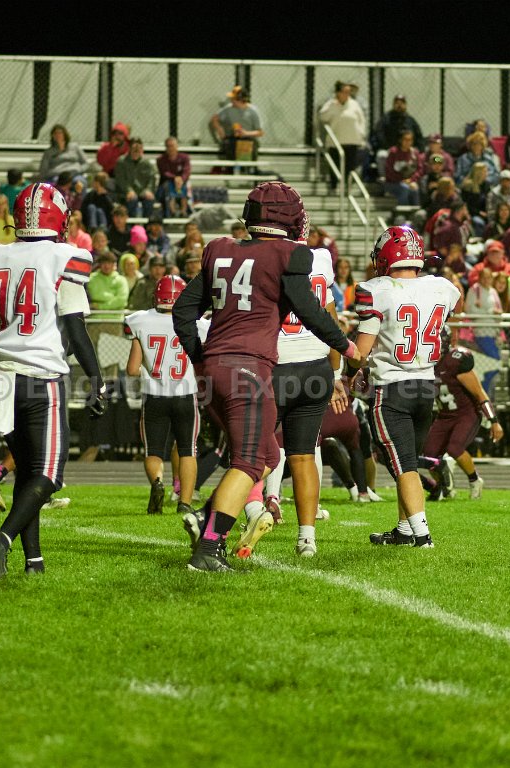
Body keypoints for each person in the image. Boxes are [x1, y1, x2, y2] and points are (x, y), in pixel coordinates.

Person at [172, 181, 363, 571]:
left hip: (215, 368)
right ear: (289, 218)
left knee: (269, 455)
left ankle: (208, 517)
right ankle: (209, 548)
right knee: (248, 461)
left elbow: (182, 311)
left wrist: (200, 358)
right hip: (249, 368)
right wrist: (345, 346)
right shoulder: (289, 253)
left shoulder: (220, 249)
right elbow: (309, 310)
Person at [0, 183, 107, 578]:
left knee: (28, 470)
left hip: (2, 377)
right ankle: (2, 538)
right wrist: (96, 379)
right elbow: (76, 329)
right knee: (49, 474)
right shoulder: (67, 256)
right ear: (59, 219)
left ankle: (33, 561)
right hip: (41, 378)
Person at [354, 226, 462, 548]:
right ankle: (404, 530)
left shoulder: (376, 290)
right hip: (425, 386)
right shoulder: (441, 287)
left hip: (393, 388)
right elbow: (452, 305)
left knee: (404, 466)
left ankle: (423, 537)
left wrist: (352, 372)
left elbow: (361, 349)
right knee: (408, 462)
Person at [257, 235, 348, 557]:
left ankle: (252, 510)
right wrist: (335, 373)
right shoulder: (321, 258)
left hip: (275, 365)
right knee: (304, 455)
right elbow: (330, 319)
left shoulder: (265, 257)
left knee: (253, 452)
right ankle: (307, 538)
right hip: (316, 365)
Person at [125, 275, 208, 515]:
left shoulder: (139, 320)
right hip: (185, 394)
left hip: (154, 396)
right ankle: (185, 502)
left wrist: (151, 370)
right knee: (188, 450)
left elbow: (132, 369)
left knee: (153, 451)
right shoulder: (198, 323)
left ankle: (158, 482)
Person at [423, 342, 504, 500]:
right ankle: (445, 487)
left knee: (455, 448)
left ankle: (475, 480)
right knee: (430, 454)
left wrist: (494, 421)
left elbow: (480, 393)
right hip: (444, 415)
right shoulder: (423, 364)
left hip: (466, 414)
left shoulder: (454, 361)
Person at [319, 80, 367, 190]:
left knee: (350, 167)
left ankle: (347, 188)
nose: (347, 94)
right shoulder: (331, 104)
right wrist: (332, 106)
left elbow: (361, 120)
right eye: (344, 92)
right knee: (335, 166)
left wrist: (361, 133)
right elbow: (322, 117)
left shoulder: (354, 104)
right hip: (336, 141)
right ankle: (334, 187)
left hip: (352, 140)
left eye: (348, 92)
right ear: (338, 93)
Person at [369, 94, 424, 178]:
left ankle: (412, 178)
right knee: (381, 155)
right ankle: (386, 179)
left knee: (424, 158)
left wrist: (419, 150)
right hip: (389, 150)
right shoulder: (386, 119)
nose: (399, 105)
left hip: (408, 151)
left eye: (402, 103)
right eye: (397, 103)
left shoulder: (410, 120)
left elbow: (419, 137)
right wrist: (388, 147)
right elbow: (379, 134)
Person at [210, 86, 264, 163]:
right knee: (231, 160)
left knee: (244, 162)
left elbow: (260, 132)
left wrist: (245, 133)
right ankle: (232, 168)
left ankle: (246, 168)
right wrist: (221, 132)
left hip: (247, 141)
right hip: (232, 140)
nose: (231, 100)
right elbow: (214, 119)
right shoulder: (228, 109)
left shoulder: (252, 111)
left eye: (233, 99)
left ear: (241, 99)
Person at [114, 138, 156, 218]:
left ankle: (148, 223)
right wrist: (128, 190)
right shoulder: (121, 162)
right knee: (132, 199)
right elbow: (120, 180)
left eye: (139, 148)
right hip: (125, 193)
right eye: (134, 149)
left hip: (142, 191)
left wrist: (148, 190)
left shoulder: (146, 163)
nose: (136, 151)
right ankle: (131, 223)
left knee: (149, 200)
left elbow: (151, 179)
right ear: (129, 149)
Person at [384, 129, 421, 206]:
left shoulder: (415, 153)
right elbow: (389, 171)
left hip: (409, 181)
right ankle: (403, 210)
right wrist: (402, 180)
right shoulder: (393, 152)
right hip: (393, 183)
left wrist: (411, 180)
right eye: (405, 139)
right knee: (404, 188)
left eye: (410, 140)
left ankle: (416, 210)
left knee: (415, 189)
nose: (408, 142)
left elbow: (419, 169)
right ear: (400, 140)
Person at [156, 136, 191, 209]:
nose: (170, 148)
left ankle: (184, 211)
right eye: (168, 146)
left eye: (172, 146)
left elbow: (186, 171)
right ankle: (172, 211)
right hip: (165, 187)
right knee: (169, 186)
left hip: (182, 184)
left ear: (177, 146)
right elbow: (165, 173)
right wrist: (175, 178)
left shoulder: (185, 158)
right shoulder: (160, 159)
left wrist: (181, 179)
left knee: (185, 186)